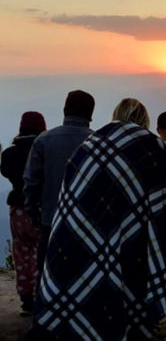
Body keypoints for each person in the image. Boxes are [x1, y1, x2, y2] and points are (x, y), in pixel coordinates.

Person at [30, 98, 166, 340]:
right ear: (146, 122)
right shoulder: (153, 150)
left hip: (81, 250)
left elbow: (69, 210)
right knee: (131, 313)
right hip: (138, 253)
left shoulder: (89, 148)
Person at [23, 90, 94, 275]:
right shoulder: (98, 142)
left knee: (47, 272)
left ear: (65, 110)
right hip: (89, 224)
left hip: (50, 220)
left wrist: (33, 213)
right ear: (90, 114)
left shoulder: (44, 141)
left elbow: (31, 182)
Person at [1, 111, 46, 315]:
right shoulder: (44, 151)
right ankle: (40, 296)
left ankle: (25, 298)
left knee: (21, 253)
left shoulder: (9, 154)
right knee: (39, 251)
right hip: (40, 208)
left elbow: (6, 171)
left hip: (17, 210)